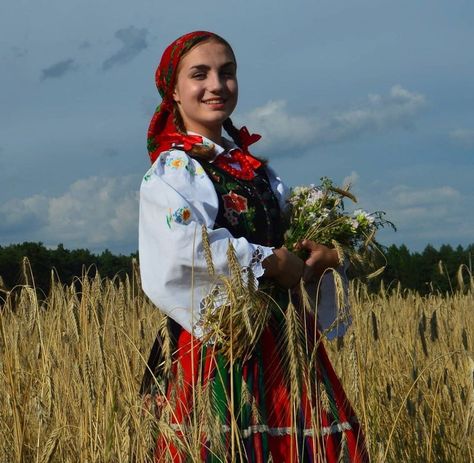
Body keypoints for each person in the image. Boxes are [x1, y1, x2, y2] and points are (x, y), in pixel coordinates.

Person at [139, 31, 368, 462]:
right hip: (218, 341)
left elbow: (289, 233)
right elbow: (183, 250)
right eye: (199, 74)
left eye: (227, 73)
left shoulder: (253, 167)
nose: (216, 85)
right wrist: (271, 261)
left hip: (283, 340)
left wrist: (319, 255)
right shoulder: (173, 169)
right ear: (174, 89)